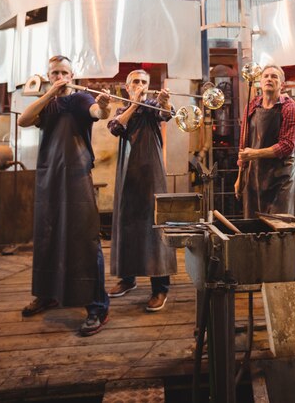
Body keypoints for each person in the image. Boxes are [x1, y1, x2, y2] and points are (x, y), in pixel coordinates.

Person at [18, 55, 111, 336]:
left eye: (64, 72)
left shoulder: (80, 99)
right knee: (48, 235)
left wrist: (104, 107)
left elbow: (97, 112)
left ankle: (97, 307)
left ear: (72, 75)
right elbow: (24, 119)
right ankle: (49, 293)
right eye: (54, 73)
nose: (59, 76)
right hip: (49, 177)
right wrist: (49, 93)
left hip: (77, 176)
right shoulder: (48, 103)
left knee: (85, 238)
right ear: (49, 76)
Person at [107, 69, 177, 312]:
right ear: (127, 87)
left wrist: (165, 103)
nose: (140, 85)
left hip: (152, 175)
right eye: (135, 81)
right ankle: (128, 279)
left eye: (144, 82)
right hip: (128, 175)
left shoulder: (152, 107)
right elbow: (116, 127)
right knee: (127, 225)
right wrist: (134, 104)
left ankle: (160, 288)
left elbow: (166, 114)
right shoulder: (122, 110)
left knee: (155, 229)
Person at [234, 64, 295, 217]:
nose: (269, 79)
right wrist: (240, 178)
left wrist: (254, 154)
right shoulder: (251, 106)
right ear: (260, 82)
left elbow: (287, 146)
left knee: (279, 226)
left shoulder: (288, 107)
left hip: (280, 178)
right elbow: (244, 146)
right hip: (254, 177)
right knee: (253, 225)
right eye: (266, 76)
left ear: (281, 84)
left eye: (274, 76)